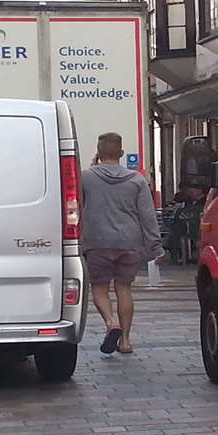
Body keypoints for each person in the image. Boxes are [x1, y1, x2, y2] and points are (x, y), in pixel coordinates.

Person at [79, 132, 161, 354]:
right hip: (129, 242)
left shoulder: (85, 178)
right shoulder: (137, 180)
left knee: (99, 288)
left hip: (97, 242)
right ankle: (125, 341)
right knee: (124, 288)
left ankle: (110, 322)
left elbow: (77, 207)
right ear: (122, 153)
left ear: (98, 153)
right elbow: (147, 214)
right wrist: (155, 244)